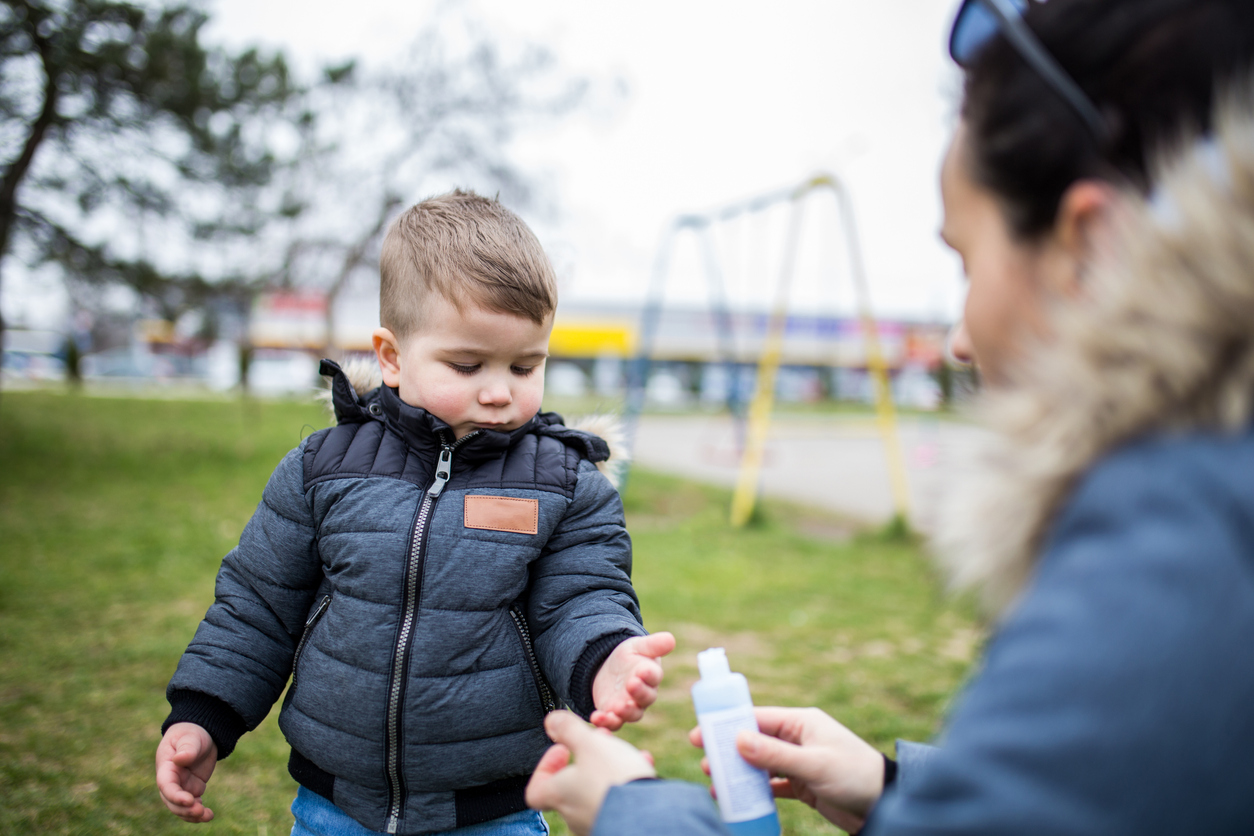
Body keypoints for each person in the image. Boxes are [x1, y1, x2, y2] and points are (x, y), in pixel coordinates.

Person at [525, 0, 1254, 833]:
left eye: (965, 261)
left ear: (1088, 246)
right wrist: (896, 790)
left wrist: (632, 809)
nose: (957, 341)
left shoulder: (1174, 568)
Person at [154, 190, 676, 836]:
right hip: (336, 807)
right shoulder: (326, 467)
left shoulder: (565, 485)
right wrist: (204, 713)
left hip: (495, 808)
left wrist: (607, 659)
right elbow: (258, 604)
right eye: (467, 363)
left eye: (525, 364)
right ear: (392, 357)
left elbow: (579, 600)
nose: (498, 390)